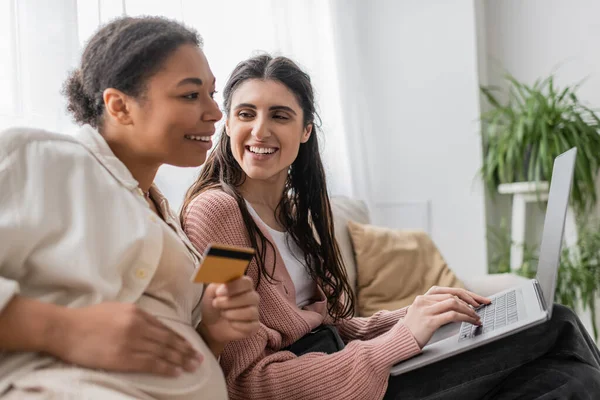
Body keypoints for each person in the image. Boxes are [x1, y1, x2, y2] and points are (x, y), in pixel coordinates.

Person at [181, 53, 600, 400]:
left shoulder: (295, 216)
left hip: (347, 363)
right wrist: (398, 342)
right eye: (246, 114)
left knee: (571, 375)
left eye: (280, 115)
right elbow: (244, 381)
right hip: (332, 384)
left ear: (305, 130)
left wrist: (417, 314)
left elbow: (330, 328)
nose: (260, 130)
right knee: (559, 327)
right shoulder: (216, 214)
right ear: (228, 125)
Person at [0, 16, 260, 400]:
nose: (215, 113)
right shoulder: (41, 160)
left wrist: (213, 330)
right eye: (190, 95)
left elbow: (176, 352)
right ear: (119, 106)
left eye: (211, 93)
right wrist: (62, 329)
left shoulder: (164, 218)